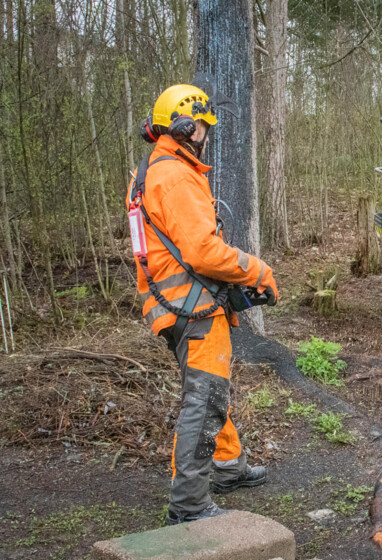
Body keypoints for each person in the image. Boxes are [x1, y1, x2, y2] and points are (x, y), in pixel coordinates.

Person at [126, 84, 279, 525]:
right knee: (206, 397)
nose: (207, 135)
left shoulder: (152, 170)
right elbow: (202, 252)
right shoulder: (174, 176)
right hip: (192, 306)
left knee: (210, 388)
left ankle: (228, 464)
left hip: (173, 304)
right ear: (186, 127)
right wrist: (257, 270)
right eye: (203, 127)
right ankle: (189, 504)